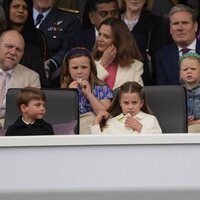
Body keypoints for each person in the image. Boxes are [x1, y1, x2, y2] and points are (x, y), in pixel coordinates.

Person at [60, 47, 113, 134]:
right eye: (75, 68)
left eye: (84, 67)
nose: (79, 71)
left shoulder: (101, 88)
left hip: (95, 130)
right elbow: (60, 117)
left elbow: (106, 114)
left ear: (91, 69)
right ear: (68, 70)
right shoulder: (64, 90)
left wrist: (89, 95)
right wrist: (69, 95)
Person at [33, 0, 81, 87]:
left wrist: (51, 64)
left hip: (53, 80)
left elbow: (69, 49)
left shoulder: (70, 20)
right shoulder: (21, 13)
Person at [2, 0, 48, 87]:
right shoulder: (1, 33)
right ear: (7, 9)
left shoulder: (37, 37)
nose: (20, 10)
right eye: (16, 6)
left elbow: (40, 77)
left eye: (25, 8)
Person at [0, 30, 40, 128]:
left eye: (18, 50)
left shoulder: (32, 77)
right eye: (9, 46)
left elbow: (33, 112)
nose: (13, 52)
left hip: (15, 130)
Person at [120, 0, 165, 85]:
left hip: (145, 78)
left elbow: (157, 57)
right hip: (117, 77)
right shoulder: (113, 18)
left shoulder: (155, 22)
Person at [90, 81, 162, 134]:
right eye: (126, 103)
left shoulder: (151, 119)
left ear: (141, 103)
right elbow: (100, 146)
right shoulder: (112, 122)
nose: (130, 107)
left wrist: (140, 128)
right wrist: (96, 122)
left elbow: (159, 142)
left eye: (134, 102)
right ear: (120, 103)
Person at [93, 17, 143, 90]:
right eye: (99, 34)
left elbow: (136, 95)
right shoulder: (89, 61)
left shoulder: (136, 65)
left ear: (118, 41)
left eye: (106, 36)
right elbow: (87, 89)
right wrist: (103, 64)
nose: (99, 39)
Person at [155, 4, 200, 85]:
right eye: (175, 24)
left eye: (185, 23)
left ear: (195, 26)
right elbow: (162, 91)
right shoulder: (162, 56)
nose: (180, 28)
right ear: (170, 30)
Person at [179, 52, 200, 133]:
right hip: (182, 126)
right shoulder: (176, 93)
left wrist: (196, 122)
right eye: (185, 69)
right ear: (180, 74)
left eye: (193, 69)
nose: (189, 71)